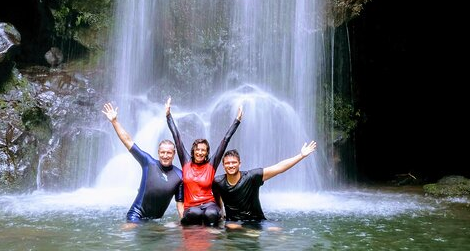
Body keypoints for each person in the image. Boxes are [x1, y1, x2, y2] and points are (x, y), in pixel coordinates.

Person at [102, 102, 184, 225]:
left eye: (168, 153)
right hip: (136, 215)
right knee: (127, 236)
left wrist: (184, 224)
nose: (165, 155)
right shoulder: (148, 162)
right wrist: (114, 122)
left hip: (156, 221)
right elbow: (128, 142)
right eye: (162, 152)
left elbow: (180, 205)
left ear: (174, 154)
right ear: (158, 152)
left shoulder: (179, 176)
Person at [165, 97, 242, 226]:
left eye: (203, 150)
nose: (200, 152)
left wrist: (237, 121)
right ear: (193, 150)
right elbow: (176, 137)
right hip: (191, 206)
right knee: (194, 214)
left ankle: (212, 234)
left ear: (207, 153)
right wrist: (168, 116)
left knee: (210, 214)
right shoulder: (186, 162)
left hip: (209, 204)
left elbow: (225, 141)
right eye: (198, 149)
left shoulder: (211, 164)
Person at [213, 141, 317, 229]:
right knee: (234, 227)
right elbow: (217, 201)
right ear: (223, 165)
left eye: (234, 162)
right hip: (233, 222)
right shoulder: (218, 182)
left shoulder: (252, 177)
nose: (231, 165)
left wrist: (301, 155)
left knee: (277, 231)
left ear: (240, 163)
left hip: (257, 220)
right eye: (227, 163)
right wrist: (221, 215)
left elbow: (278, 168)